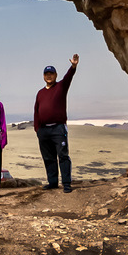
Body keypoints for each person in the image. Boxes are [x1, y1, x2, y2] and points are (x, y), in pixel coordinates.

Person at [33, 54, 79, 193]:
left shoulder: (61, 87)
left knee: (63, 156)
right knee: (48, 157)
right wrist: (37, 129)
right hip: (44, 130)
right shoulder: (40, 93)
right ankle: (52, 182)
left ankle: (66, 183)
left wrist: (73, 66)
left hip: (58, 128)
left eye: (51, 74)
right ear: (43, 76)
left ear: (55, 75)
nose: (49, 76)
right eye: (46, 74)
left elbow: (68, 78)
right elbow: (36, 111)